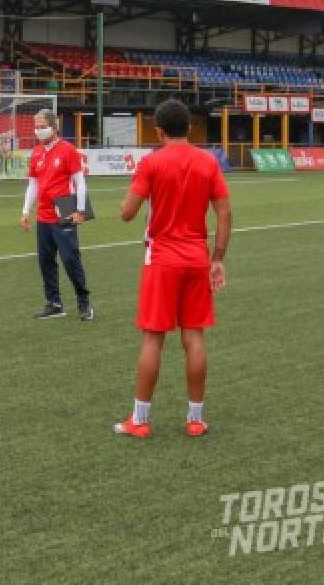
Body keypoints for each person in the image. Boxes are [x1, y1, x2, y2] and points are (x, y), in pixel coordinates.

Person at [115, 99, 231, 438]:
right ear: (190, 128)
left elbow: (128, 213)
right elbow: (224, 213)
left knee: (153, 338)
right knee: (194, 337)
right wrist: (218, 258)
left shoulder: (151, 163)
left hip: (162, 259)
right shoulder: (208, 161)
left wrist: (126, 201)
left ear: (159, 130)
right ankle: (195, 419)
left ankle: (139, 420)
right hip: (197, 258)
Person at [19, 109, 93, 320]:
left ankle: (83, 301)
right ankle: (54, 303)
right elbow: (33, 184)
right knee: (45, 261)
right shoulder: (35, 153)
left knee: (70, 259)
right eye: (37, 127)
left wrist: (80, 210)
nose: (39, 131)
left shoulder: (68, 150)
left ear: (54, 127)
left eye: (43, 127)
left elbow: (80, 182)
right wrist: (25, 211)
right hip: (43, 215)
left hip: (65, 212)